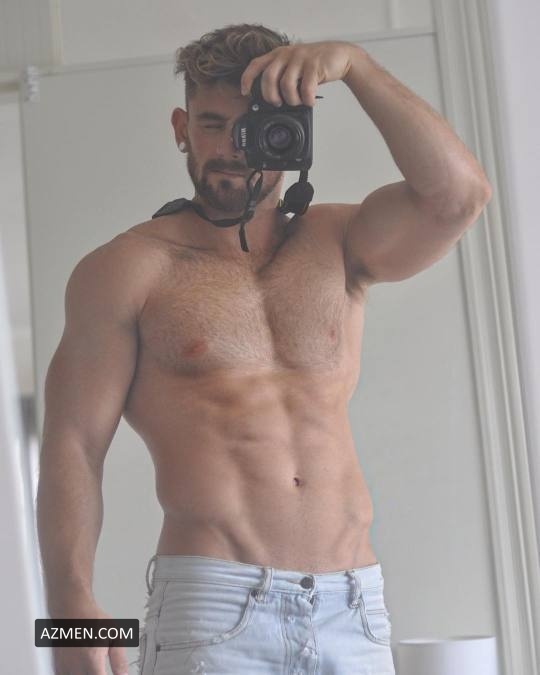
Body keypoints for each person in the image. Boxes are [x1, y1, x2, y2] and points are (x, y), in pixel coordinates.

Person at [36, 22, 492, 675]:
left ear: (296, 132)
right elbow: (74, 443)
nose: (231, 148)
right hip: (214, 608)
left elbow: (459, 196)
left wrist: (356, 66)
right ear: (181, 128)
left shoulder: (338, 242)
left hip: (355, 608)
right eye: (212, 123)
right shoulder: (127, 269)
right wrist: (67, 611)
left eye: (252, 127)